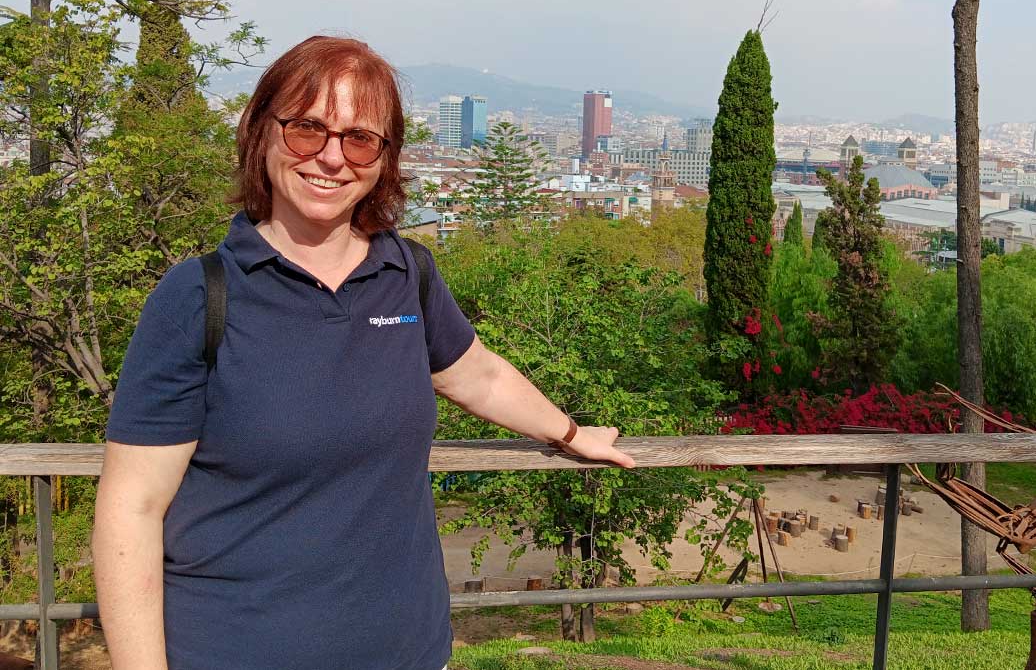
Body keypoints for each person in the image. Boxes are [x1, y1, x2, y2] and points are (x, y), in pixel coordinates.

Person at [92, 35, 635, 670]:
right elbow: (132, 508)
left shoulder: (407, 272)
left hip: (408, 648)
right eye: (307, 130)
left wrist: (571, 432)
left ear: (384, 158)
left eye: (359, 139)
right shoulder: (199, 296)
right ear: (261, 132)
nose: (330, 158)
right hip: (238, 647)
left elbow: (477, 374)